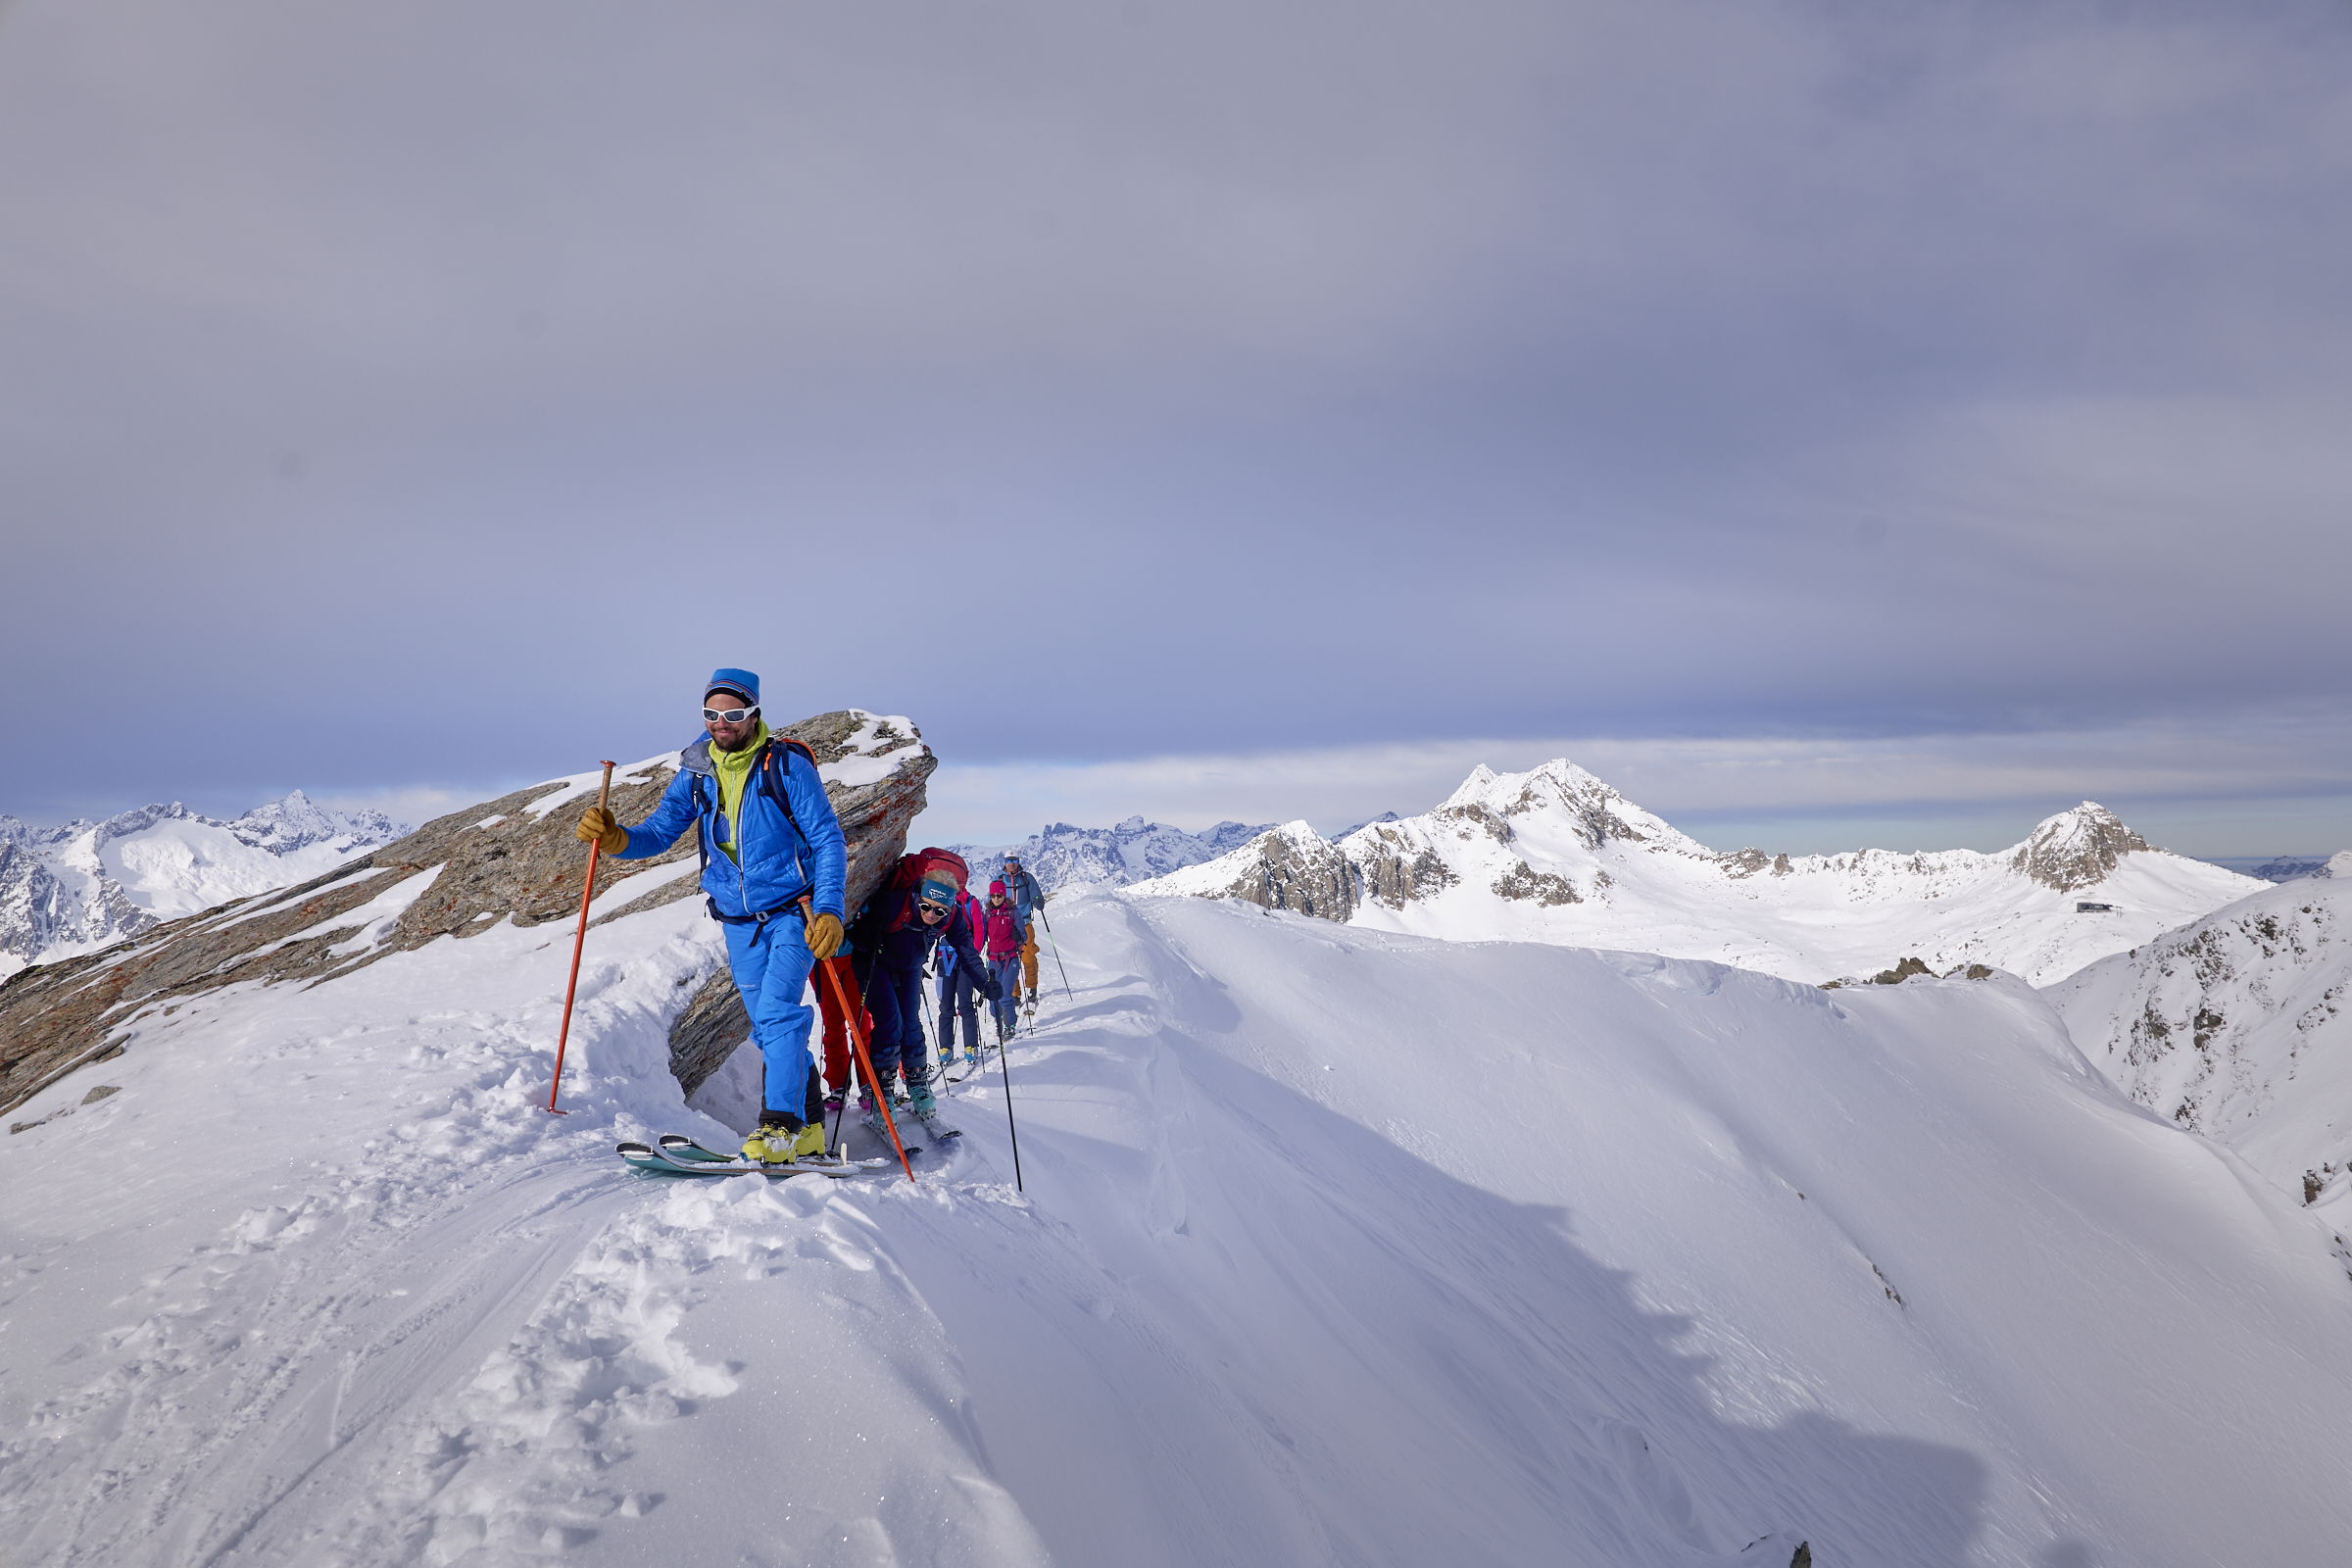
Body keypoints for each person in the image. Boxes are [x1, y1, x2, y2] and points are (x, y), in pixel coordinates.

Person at [575, 668, 846, 1165]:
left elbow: (828, 839)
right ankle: (808, 1126)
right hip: (738, 920)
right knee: (767, 1030)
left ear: (754, 713)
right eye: (711, 713)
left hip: (793, 912)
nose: (722, 723)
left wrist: (829, 909)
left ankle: (778, 1128)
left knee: (778, 1014)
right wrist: (616, 839)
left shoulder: (784, 767)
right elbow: (659, 833)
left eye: (734, 713)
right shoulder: (697, 771)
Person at [848, 863, 997, 1137]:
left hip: (910, 965)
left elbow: (966, 949)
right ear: (919, 896)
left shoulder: (951, 918)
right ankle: (884, 1096)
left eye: (939, 911)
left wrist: (984, 983)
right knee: (890, 1024)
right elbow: (859, 935)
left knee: (912, 1025)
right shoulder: (894, 905)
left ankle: (917, 1084)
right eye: (926, 907)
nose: (931, 914)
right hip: (875, 964)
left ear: (949, 909)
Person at [935, 885, 986, 1068]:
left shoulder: (970, 902)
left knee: (965, 1003)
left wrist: (973, 954)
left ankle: (970, 1046)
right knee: (946, 1004)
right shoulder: (942, 900)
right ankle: (945, 1048)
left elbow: (979, 930)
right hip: (946, 956)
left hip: (963, 956)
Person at [977, 878, 1025, 1044]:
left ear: (1004, 895)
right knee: (993, 996)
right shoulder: (987, 913)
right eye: (993, 895)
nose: (996, 898)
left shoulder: (1013, 912)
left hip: (1010, 957)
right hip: (993, 959)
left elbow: (1023, 936)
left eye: (999, 895)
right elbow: (982, 935)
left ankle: (1009, 1025)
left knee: (1004, 994)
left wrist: (1019, 937)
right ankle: (999, 1021)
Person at [1000, 853, 1047, 1013]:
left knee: (1028, 956)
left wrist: (1038, 900)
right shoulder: (999, 880)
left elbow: (1036, 893)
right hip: (1006, 925)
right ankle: (1014, 995)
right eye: (1008, 861)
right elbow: (993, 899)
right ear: (1004, 863)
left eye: (1014, 860)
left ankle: (1032, 989)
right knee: (1010, 959)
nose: (1011, 864)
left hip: (1025, 923)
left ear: (1018, 862)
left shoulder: (1026, 878)